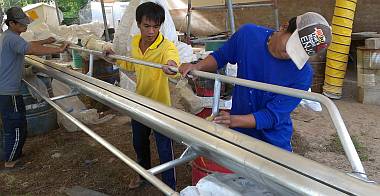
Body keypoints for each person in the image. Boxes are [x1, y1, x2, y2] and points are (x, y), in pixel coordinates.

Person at [179, 12, 332, 152]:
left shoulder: (303, 74)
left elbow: (272, 115)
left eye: (300, 53)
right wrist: (196, 67)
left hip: (273, 142)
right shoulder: (249, 36)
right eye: (292, 47)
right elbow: (221, 56)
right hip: (240, 134)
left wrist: (232, 120)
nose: (292, 56)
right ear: (284, 27)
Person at [105, 2, 179, 190]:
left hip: (161, 106)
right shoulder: (135, 42)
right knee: (139, 143)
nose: (151, 31)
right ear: (138, 24)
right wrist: (114, 57)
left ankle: (170, 186)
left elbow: (174, 63)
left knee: (164, 147)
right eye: (147, 26)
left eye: (156, 26)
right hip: (140, 102)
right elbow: (132, 65)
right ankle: (143, 175)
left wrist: (171, 66)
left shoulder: (166, 46)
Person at [0, 7, 68, 169]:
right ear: (11, 23)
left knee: (18, 122)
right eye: (22, 23)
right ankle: (11, 161)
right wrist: (58, 49)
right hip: (8, 92)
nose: (26, 25)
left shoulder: (8, 36)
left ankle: (14, 153)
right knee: (15, 125)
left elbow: (28, 44)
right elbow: (30, 49)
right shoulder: (12, 39)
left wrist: (46, 41)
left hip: (6, 91)